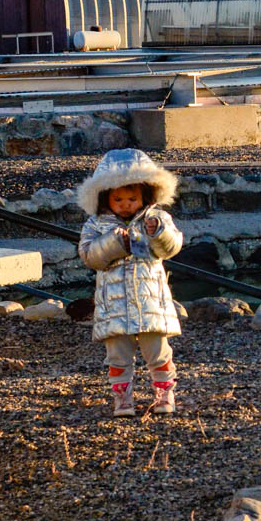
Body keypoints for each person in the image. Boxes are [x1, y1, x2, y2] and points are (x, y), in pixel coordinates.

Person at [75, 149, 185, 417]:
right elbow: (89, 256)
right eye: (119, 199)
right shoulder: (96, 225)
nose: (126, 204)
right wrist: (114, 244)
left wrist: (158, 232)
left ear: (146, 195)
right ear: (105, 198)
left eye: (132, 198)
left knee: (158, 351)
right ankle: (122, 398)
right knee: (117, 355)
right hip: (114, 305)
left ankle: (164, 392)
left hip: (151, 302)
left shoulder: (156, 220)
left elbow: (171, 247)